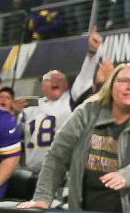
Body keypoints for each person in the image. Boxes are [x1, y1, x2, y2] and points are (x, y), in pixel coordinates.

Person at [18, 63, 130, 213]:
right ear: (111, 86)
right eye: (124, 80)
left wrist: (126, 175)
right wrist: (42, 197)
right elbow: (57, 155)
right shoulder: (88, 111)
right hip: (91, 205)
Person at [20, 32, 104, 174]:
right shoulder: (29, 110)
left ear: (67, 86)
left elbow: (84, 79)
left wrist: (91, 53)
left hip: (61, 173)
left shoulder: (72, 102)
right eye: (50, 79)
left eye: (60, 80)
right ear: (42, 86)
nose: (55, 81)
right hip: (31, 172)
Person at [0, 89, 23, 201]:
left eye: (8, 98)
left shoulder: (0, 118)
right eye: (0, 97)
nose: (3, 99)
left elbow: (11, 158)